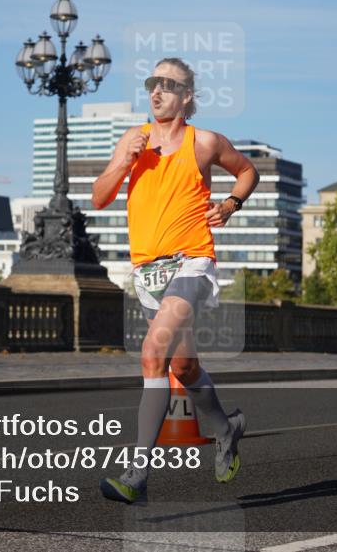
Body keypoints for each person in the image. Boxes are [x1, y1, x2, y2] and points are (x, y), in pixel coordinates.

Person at [91, 57, 259, 503]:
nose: (157, 91)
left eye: (169, 84)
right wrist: (122, 163)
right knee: (183, 366)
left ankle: (136, 476)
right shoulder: (134, 139)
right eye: (152, 83)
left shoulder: (204, 142)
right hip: (147, 272)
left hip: (192, 262)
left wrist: (229, 205)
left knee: (152, 354)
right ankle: (226, 429)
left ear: (187, 96)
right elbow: (99, 196)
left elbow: (247, 171)